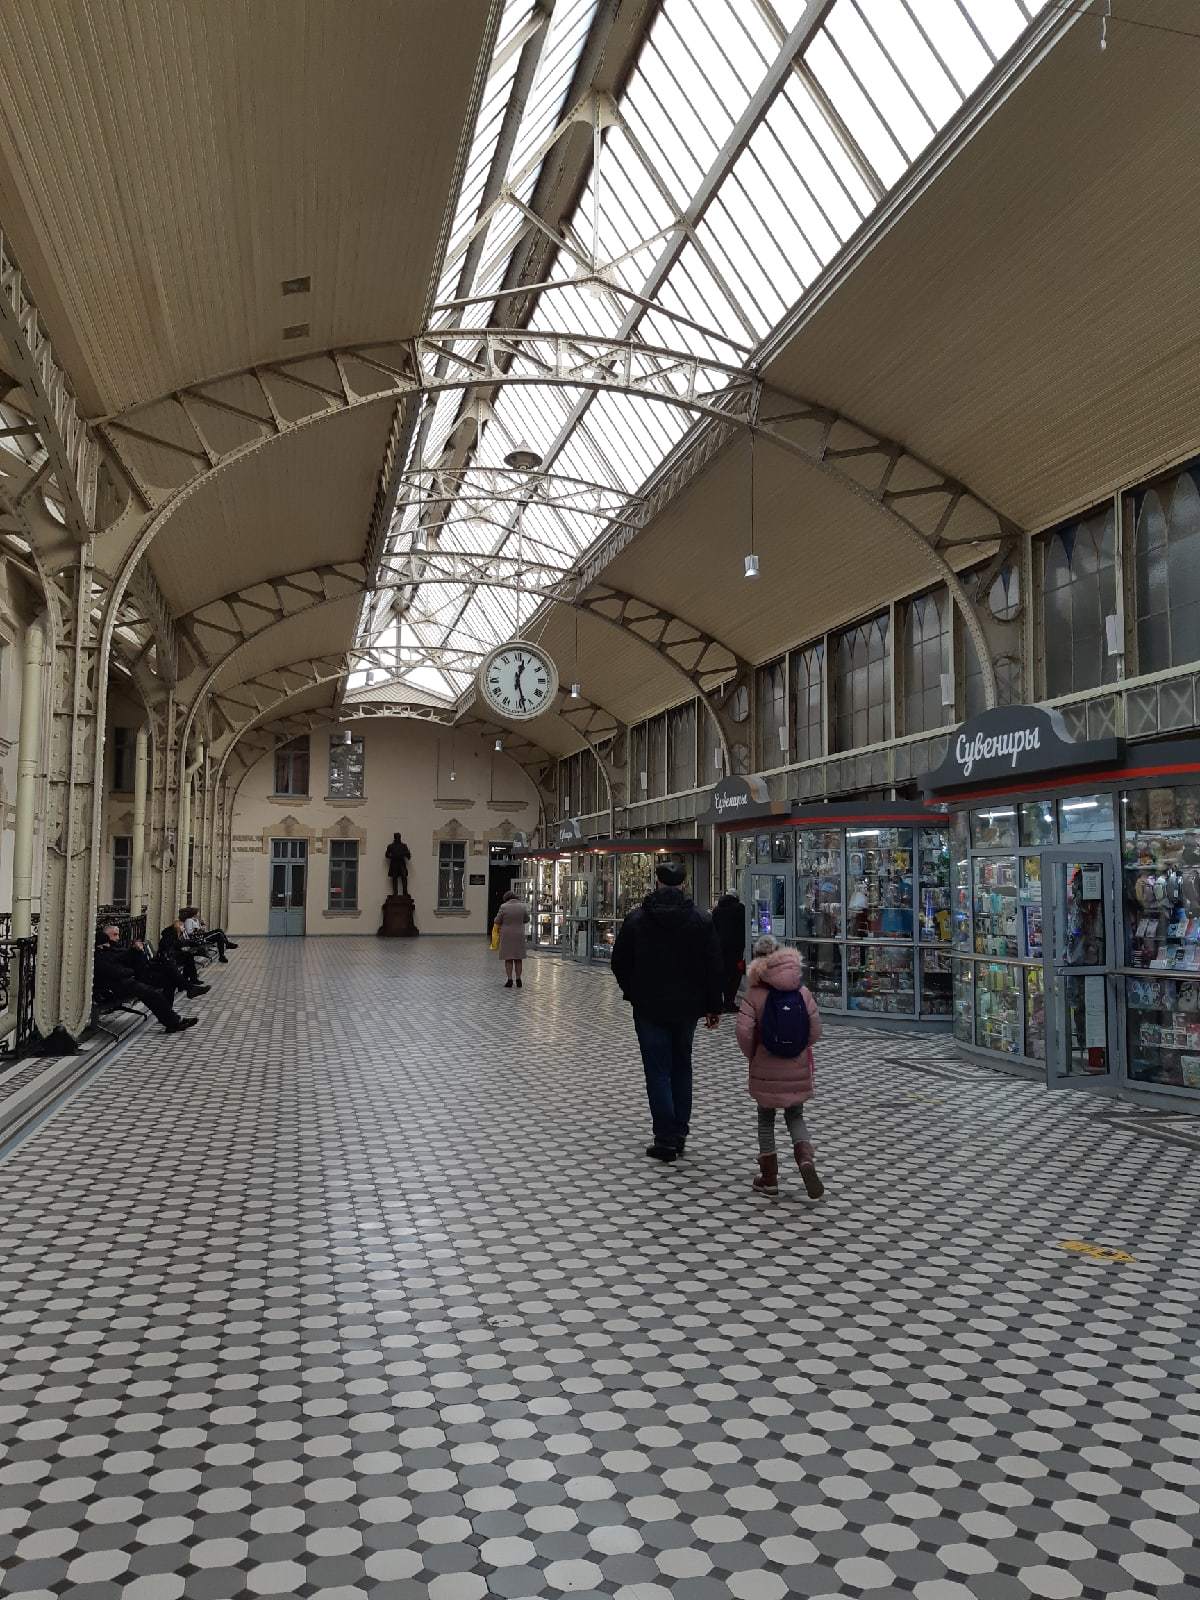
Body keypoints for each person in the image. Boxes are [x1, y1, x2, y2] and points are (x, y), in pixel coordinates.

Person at [610, 859, 723, 1163]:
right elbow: (714, 966)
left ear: (657, 883)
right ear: (684, 884)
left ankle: (665, 1137)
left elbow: (618, 961)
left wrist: (633, 991)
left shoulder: (637, 919)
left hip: (648, 1007)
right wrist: (713, 1006)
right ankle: (680, 1131)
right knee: (681, 1065)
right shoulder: (701, 919)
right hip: (687, 1008)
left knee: (657, 1070)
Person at [736, 934, 824, 1199]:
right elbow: (815, 1030)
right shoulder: (802, 991)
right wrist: (800, 1048)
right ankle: (806, 1160)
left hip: (765, 1064)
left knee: (766, 1119)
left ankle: (769, 1178)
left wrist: (752, 1054)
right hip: (796, 1066)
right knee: (795, 1115)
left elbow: (744, 1032)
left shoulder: (754, 995)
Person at [94, 940, 198, 1034]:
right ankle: (174, 1020)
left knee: (158, 988)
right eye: (106, 942)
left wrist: (135, 954)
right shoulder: (100, 957)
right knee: (153, 993)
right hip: (115, 988)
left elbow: (127, 963)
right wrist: (131, 971)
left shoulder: (110, 952)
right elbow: (115, 971)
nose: (110, 943)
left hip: (127, 983)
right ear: (100, 945)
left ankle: (173, 1021)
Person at [96, 919, 183, 1003]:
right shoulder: (107, 951)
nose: (118, 938)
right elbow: (115, 969)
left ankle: (186, 987)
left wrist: (137, 952)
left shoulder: (117, 947)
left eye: (118, 935)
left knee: (169, 970)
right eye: (115, 935)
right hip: (133, 979)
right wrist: (134, 967)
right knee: (159, 987)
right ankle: (186, 987)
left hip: (140, 973)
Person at [711, 892, 747, 1013]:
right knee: (735, 975)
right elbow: (744, 926)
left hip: (720, 949)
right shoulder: (740, 909)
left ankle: (721, 1003)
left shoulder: (716, 910)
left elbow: (713, 929)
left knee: (722, 975)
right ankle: (729, 1002)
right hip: (736, 949)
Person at [158, 919, 210, 995]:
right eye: (182, 926)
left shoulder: (176, 934)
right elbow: (169, 947)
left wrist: (195, 944)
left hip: (172, 956)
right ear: (178, 927)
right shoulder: (170, 935)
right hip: (168, 958)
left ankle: (190, 981)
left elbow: (182, 943)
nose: (184, 928)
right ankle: (189, 984)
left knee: (188, 956)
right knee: (187, 956)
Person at [493, 890, 530, 988]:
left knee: (508, 958)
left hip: (507, 935)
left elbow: (497, 920)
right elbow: (527, 919)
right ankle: (518, 979)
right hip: (519, 935)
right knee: (518, 958)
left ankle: (509, 979)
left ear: (506, 898)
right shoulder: (522, 906)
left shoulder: (503, 907)